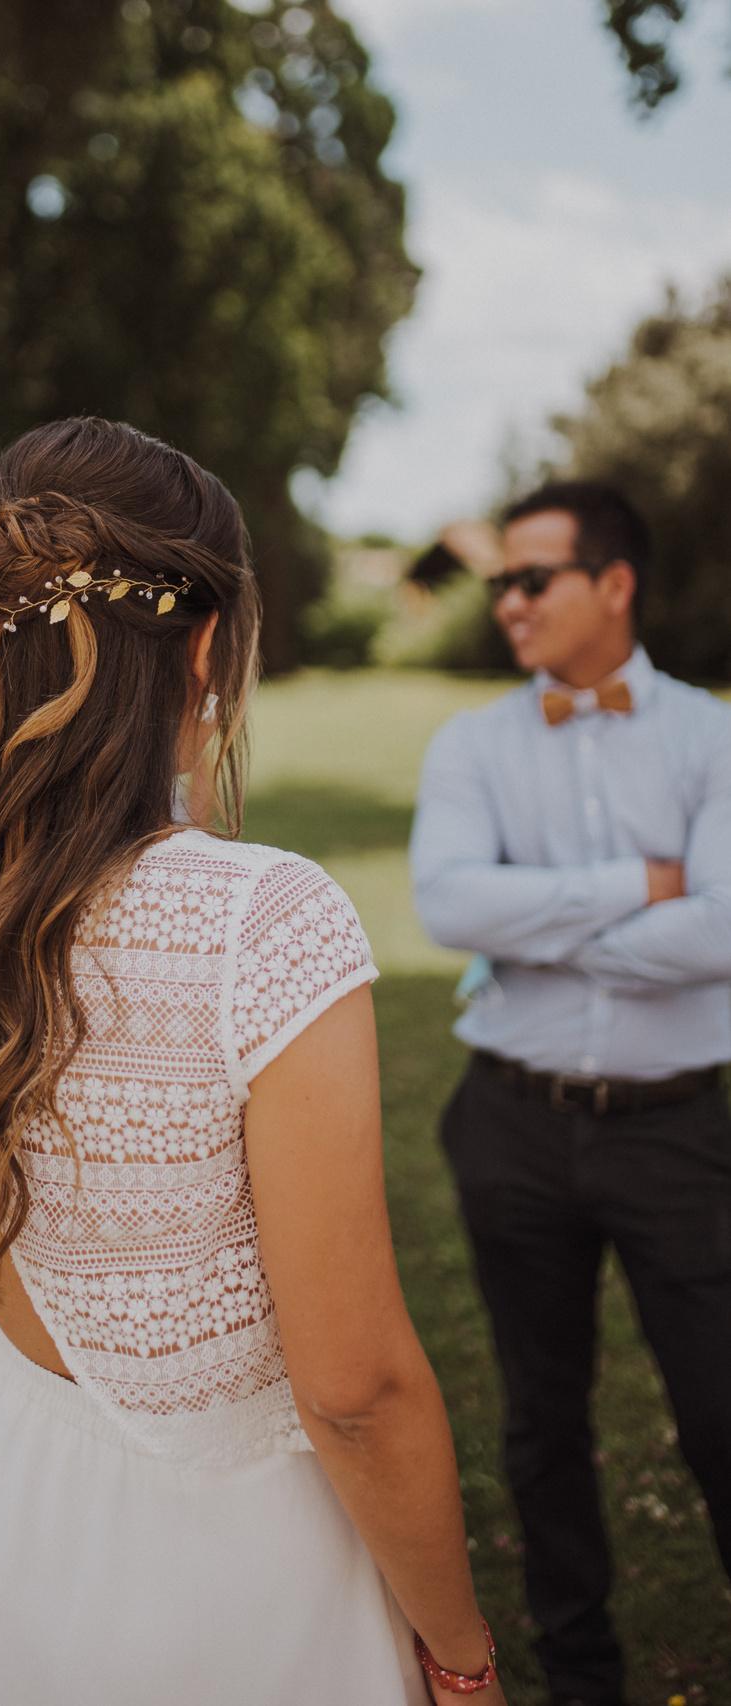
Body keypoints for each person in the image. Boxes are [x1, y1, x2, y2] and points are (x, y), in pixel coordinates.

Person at [0, 419, 506, 1706]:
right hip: (244, 1585)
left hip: (7, 1533)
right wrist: (464, 1658)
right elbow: (356, 1386)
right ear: (205, 643)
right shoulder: (264, 920)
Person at [411, 480, 731, 1706]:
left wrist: (537, 923)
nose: (507, 600)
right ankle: (579, 1673)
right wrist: (638, 887)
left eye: (530, 577)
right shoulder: (471, 743)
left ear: (613, 582)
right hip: (512, 1123)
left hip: (673, 1128)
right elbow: (446, 905)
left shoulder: (707, 734)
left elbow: (723, 931)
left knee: (717, 1411)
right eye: (499, 581)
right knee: (540, 1423)